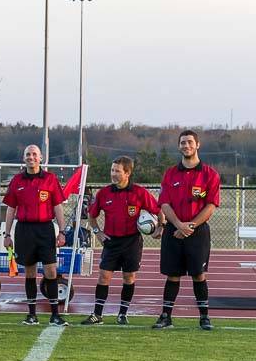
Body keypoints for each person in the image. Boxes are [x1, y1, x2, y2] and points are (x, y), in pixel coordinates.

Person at [81, 156, 161, 326]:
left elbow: (158, 210)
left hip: (132, 242)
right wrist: (98, 233)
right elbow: (92, 216)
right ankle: (97, 314)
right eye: (112, 170)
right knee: (104, 276)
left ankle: (122, 314)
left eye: (117, 171)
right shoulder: (104, 193)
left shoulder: (139, 193)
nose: (113, 174)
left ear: (127, 173)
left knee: (129, 277)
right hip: (111, 242)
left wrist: (160, 227)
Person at [153, 129, 220, 330]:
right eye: (183, 143)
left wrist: (190, 226)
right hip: (174, 231)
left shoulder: (210, 174)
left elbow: (211, 206)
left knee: (199, 274)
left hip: (197, 233)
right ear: (179, 146)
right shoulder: (170, 173)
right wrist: (179, 225)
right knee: (172, 275)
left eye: (190, 142)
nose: (186, 146)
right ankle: (166, 316)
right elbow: (164, 203)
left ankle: (204, 317)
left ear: (197, 145)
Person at [2, 144, 68, 327]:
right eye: (28, 154)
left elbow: (58, 207)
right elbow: (10, 209)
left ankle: (55, 315)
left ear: (41, 158)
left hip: (45, 230)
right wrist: (7, 234)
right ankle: (32, 315)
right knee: (29, 271)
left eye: (34, 154)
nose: (31, 157)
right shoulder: (17, 180)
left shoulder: (50, 179)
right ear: (24, 158)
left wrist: (62, 231)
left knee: (51, 271)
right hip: (24, 230)